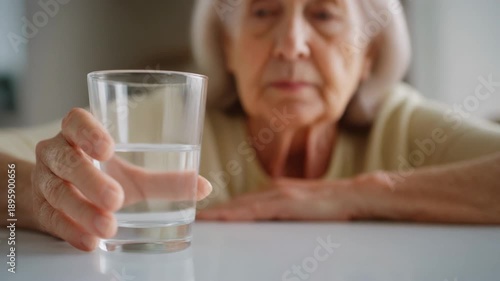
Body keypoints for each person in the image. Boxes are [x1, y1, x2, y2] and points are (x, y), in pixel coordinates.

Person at [1, 0, 500, 252]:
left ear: (369, 53)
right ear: (228, 48)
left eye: (324, 14)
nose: (290, 44)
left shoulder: (404, 125)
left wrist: (363, 192)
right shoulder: (170, 122)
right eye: (263, 11)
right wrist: (38, 194)